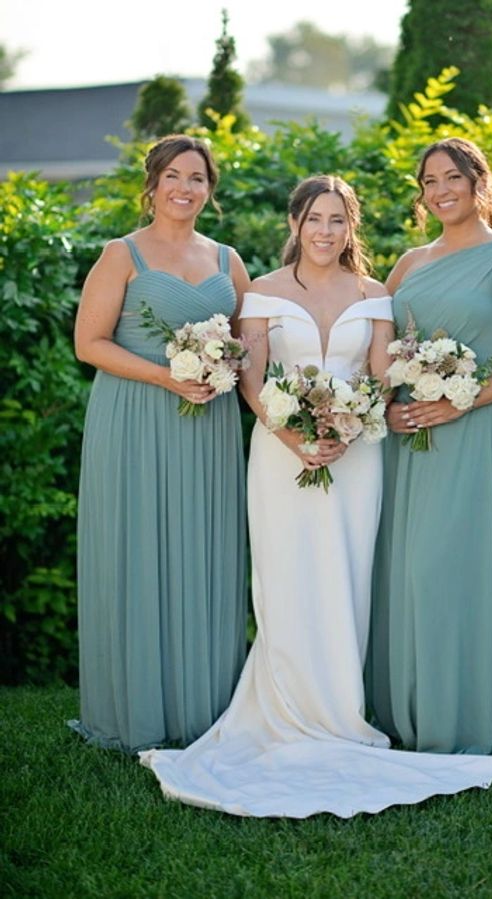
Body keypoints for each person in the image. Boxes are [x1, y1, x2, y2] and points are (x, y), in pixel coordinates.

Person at [139, 174, 492, 818]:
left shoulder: (375, 294)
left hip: (358, 457)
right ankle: (281, 711)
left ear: (350, 227)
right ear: (295, 224)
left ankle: (340, 714)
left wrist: (347, 423)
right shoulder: (262, 293)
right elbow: (250, 376)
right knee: (285, 580)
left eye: (337, 220)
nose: (325, 232)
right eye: (314, 219)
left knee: (346, 578)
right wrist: (291, 434)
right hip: (280, 457)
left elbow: (377, 374)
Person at [368, 137, 492, 757]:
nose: (441, 191)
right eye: (429, 181)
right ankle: (401, 711)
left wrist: (461, 400)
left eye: (451, 177)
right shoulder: (407, 263)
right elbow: (377, 347)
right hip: (408, 437)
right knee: (401, 570)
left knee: (447, 568)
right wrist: (386, 404)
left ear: (478, 180)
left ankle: (457, 716)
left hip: (472, 432)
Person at [69, 134, 250, 753]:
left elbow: (249, 350)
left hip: (210, 428)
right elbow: (88, 343)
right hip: (135, 418)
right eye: (173, 175)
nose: (184, 188)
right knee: (138, 547)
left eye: (196, 178)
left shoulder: (229, 261)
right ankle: (137, 708)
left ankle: (206, 706)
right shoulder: (122, 255)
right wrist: (164, 375)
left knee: (205, 548)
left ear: (210, 190)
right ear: (152, 185)